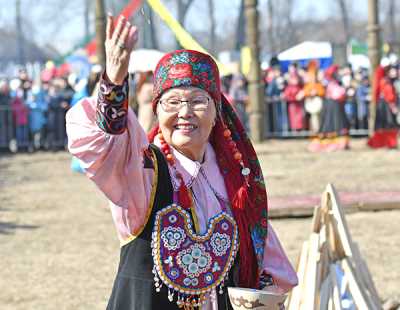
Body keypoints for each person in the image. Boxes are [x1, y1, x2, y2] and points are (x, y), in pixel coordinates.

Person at [66, 15, 297, 309]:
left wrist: (258, 291)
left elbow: (264, 262)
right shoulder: (141, 172)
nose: (185, 112)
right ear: (157, 111)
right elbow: (104, 145)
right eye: (172, 102)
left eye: (198, 101)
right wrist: (114, 82)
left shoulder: (236, 186)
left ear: (217, 115)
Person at [309, 65, 350, 152]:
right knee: (332, 125)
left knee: (338, 125)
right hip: (332, 107)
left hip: (336, 107)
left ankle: (341, 143)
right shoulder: (331, 83)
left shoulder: (335, 83)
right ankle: (332, 144)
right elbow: (338, 95)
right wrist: (344, 91)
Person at [367, 62, 399, 149]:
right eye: (392, 70)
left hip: (383, 104)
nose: (395, 72)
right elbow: (389, 95)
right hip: (386, 105)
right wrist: (393, 105)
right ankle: (389, 143)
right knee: (389, 124)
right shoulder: (386, 81)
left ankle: (384, 143)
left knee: (383, 125)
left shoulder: (385, 80)